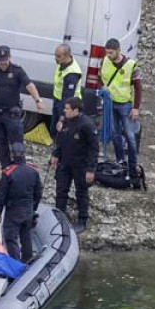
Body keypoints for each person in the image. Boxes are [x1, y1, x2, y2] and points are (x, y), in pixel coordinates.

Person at [0, 45, 45, 168]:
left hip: (11, 114)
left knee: (17, 145)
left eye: (5, 61)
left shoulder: (17, 70)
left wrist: (38, 100)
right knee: (1, 144)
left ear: (10, 57)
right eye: (0, 61)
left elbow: (29, 85)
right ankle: (6, 169)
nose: (3, 64)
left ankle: (20, 169)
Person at [51, 97, 99, 234]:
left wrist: (91, 169)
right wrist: (55, 154)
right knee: (61, 189)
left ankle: (82, 220)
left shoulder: (87, 125)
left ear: (76, 110)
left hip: (81, 165)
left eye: (67, 109)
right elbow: (61, 140)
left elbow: (94, 149)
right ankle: (60, 216)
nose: (64, 111)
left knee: (81, 192)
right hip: (65, 162)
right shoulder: (66, 121)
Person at [99, 38, 142, 179]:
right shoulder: (105, 60)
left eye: (111, 53)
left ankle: (133, 164)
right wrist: (102, 89)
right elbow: (101, 77)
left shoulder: (131, 65)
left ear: (118, 50)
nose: (108, 55)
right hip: (111, 103)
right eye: (107, 53)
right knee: (115, 133)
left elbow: (138, 87)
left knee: (130, 135)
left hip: (125, 105)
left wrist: (136, 108)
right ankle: (120, 161)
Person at [0, 143, 42, 262]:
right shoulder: (33, 171)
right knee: (26, 236)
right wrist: (33, 207)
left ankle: (15, 264)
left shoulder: (8, 172)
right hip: (28, 209)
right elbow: (38, 193)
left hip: (13, 210)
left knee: (11, 238)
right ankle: (28, 260)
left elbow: (1, 194)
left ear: (12, 155)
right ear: (24, 154)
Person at [51, 44, 83, 135]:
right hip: (58, 99)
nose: (56, 58)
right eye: (55, 55)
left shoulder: (72, 73)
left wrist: (62, 117)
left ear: (67, 55)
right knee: (54, 129)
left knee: (62, 130)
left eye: (58, 56)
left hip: (69, 104)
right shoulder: (63, 63)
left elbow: (68, 97)